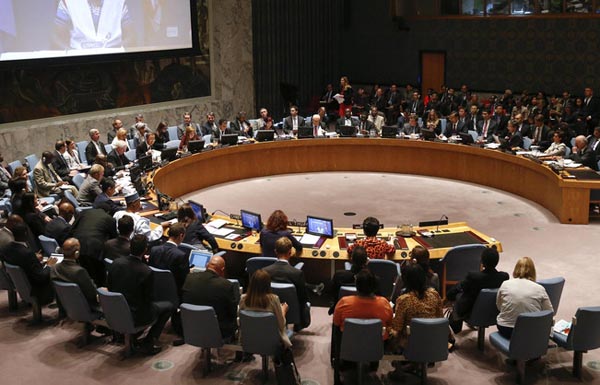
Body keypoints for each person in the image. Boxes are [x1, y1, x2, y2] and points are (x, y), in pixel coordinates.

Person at [107, 235, 173, 355]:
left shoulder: (116, 263)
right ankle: (149, 342)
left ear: (130, 247)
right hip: (136, 314)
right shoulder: (146, 271)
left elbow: (109, 287)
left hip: (115, 310)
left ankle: (129, 336)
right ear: (145, 250)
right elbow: (149, 299)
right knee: (168, 306)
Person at [332, 269, 393, 380]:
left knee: (336, 329)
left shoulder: (344, 302)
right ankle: (372, 364)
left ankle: (343, 361)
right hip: (376, 348)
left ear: (356, 285)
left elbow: (336, 324)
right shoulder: (384, 303)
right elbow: (389, 324)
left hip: (348, 346)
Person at [387, 264, 443, 379]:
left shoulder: (404, 300)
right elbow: (440, 318)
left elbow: (396, 329)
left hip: (411, 342)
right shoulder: (435, 294)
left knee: (389, 334)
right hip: (434, 340)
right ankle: (415, 364)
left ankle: (403, 367)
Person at [446, 246, 509, 333]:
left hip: (471, 313)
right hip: (493, 314)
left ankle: (455, 322)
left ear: (482, 261)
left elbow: (459, 287)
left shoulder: (473, 277)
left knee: (458, 296)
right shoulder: (504, 277)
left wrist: (449, 295)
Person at [181, 255, 238, 341]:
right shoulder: (226, 285)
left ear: (206, 265)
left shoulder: (190, 277)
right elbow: (232, 312)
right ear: (222, 270)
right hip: (218, 330)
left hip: (191, 326)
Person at [496, 257, 553, 339]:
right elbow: (549, 312)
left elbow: (499, 306)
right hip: (530, 330)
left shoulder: (505, 284)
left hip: (505, 328)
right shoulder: (539, 288)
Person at [1, 222, 57, 306]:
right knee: (58, 271)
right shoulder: (27, 253)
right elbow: (41, 277)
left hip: (21, 285)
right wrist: (49, 265)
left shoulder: (6, 249)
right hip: (37, 289)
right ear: (26, 233)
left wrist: (35, 260)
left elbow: (23, 263)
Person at [263, 237, 311, 331]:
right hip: (293, 312)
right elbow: (303, 298)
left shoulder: (265, 272)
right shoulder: (297, 273)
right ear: (290, 252)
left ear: (275, 251)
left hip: (270, 310)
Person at [239, 269, 291, 349]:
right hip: (271, 339)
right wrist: (283, 310)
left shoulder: (243, 298)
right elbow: (281, 325)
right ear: (268, 284)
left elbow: (240, 320)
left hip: (249, 338)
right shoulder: (273, 299)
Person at [52, 0, 133, 50]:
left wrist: (118, 53)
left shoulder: (118, 2)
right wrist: (71, 55)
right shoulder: (68, 2)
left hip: (111, 60)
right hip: (78, 60)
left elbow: (131, 36)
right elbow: (56, 38)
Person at [70, 207, 118, 285]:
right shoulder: (109, 219)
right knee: (99, 278)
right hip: (95, 250)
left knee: (83, 272)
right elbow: (114, 239)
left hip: (77, 246)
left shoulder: (83, 213)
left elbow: (71, 229)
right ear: (108, 212)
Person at [51, 237, 98, 308]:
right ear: (76, 253)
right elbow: (92, 294)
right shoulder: (79, 271)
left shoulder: (54, 265)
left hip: (67, 305)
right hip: (86, 306)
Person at [148, 223, 188, 296]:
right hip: (172, 293)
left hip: (153, 290)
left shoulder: (154, 250)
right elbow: (184, 279)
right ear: (181, 235)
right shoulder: (181, 255)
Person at [328, 245, 368, 315]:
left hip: (342, 309)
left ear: (351, 259)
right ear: (366, 261)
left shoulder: (338, 276)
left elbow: (333, 294)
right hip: (365, 310)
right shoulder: (371, 279)